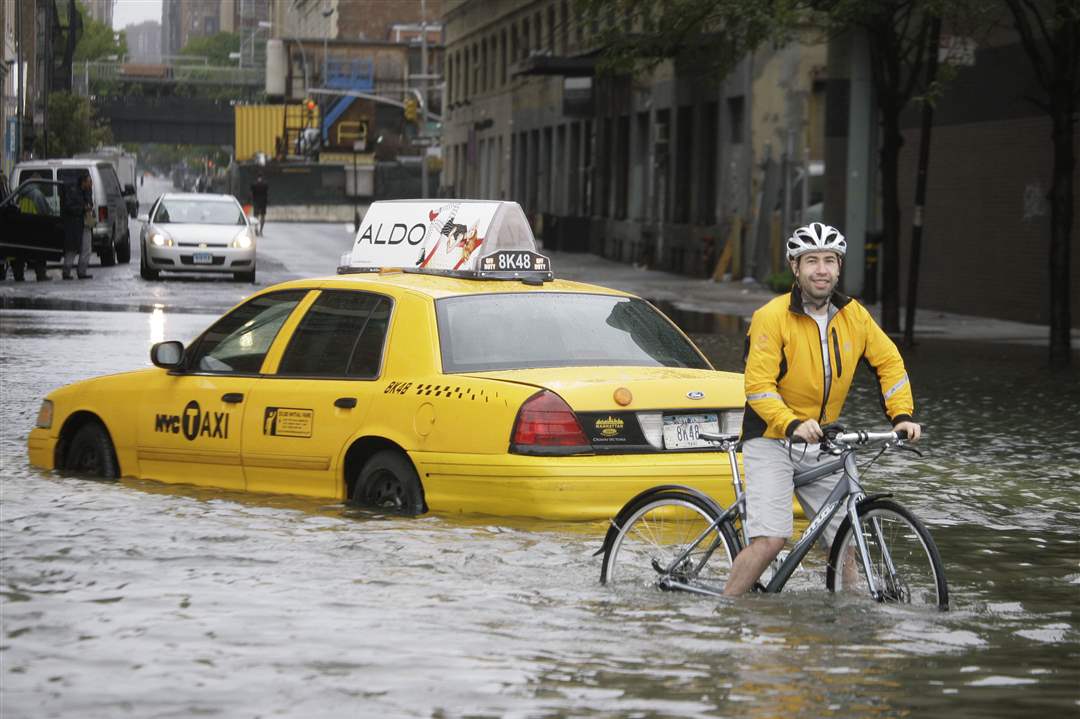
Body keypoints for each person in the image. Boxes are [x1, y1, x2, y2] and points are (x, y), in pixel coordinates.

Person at [723, 222, 921, 596]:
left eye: (829, 260)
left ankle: (848, 618)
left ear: (839, 267)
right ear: (795, 268)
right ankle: (726, 613)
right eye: (810, 260)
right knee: (772, 539)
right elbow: (758, 386)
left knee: (845, 540)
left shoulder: (854, 316)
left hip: (823, 437)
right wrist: (791, 422)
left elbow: (889, 363)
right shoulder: (771, 316)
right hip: (771, 437)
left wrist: (902, 416)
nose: (821, 269)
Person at [61, 174, 93, 280]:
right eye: (89, 181)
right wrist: (82, 208)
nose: (90, 184)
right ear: (83, 182)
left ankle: (82, 271)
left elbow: (89, 203)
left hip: (86, 222)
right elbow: (69, 207)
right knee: (72, 248)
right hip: (74, 223)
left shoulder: (87, 191)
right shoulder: (73, 191)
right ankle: (66, 271)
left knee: (87, 248)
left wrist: (88, 207)